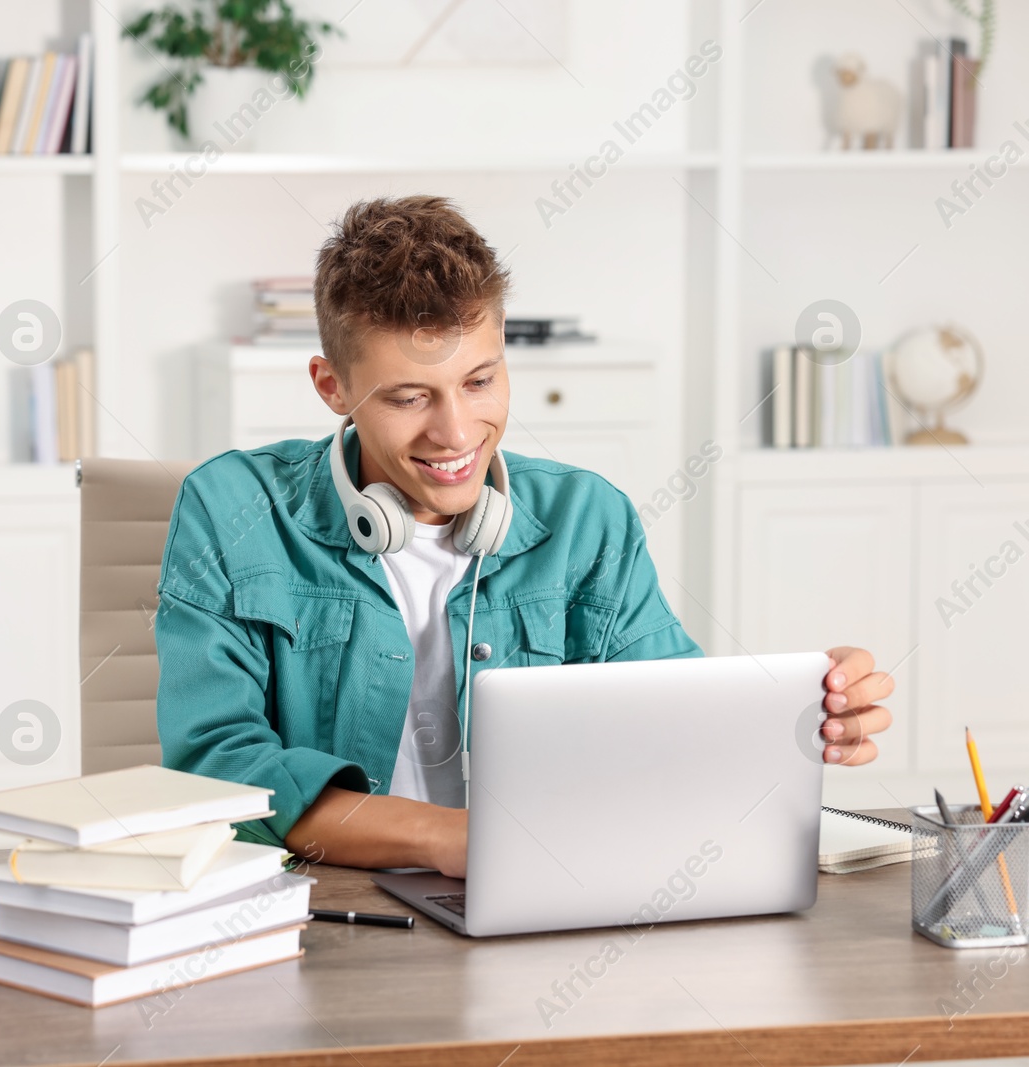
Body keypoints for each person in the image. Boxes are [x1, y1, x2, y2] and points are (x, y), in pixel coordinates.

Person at [153, 195, 893, 878]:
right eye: (411, 397)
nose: (455, 432)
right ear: (332, 387)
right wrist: (449, 838)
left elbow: (671, 727)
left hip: (543, 896)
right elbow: (220, 772)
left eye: (480, 381)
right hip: (327, 919)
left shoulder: (587, 520)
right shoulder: (231, 510)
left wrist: (805, 714)